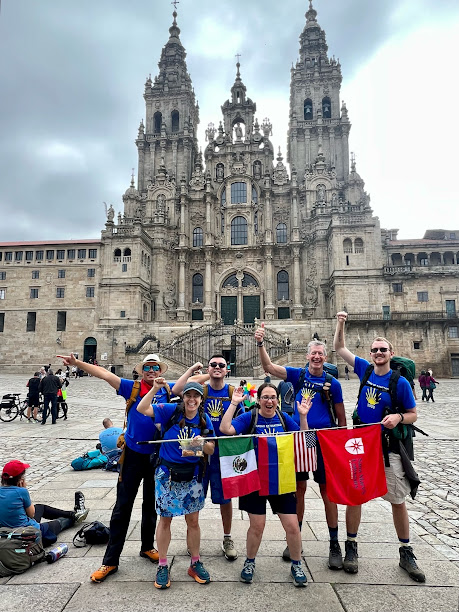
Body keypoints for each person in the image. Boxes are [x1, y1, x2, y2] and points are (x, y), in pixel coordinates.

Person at [57, 351, 204, 583]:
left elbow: (191, 383)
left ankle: (147, 546)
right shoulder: (131, 387)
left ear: (161, 371)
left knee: (151, 504)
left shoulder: (167, 388)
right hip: (133, 455)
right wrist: (77, 363)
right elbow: (105, 374)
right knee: (122, 507)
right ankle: (110, 561)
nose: (152, 371)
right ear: (141, 370)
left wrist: (212, 373)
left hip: (156, 458)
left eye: (156, 367)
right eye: (148, 367)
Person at [333, 311, 425, 582]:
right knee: (355, 496)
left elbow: (413, 413)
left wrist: (398, 417)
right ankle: (351, 546)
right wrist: (340, 324)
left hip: (389, 447)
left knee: (397, 499)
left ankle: (406, 551)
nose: (378, 353)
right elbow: (339, 348)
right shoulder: (364, 368)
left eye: (382, 349)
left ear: (390, 352)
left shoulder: (401, 382)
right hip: (361, 444)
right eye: (375, 349)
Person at [255, 323, 347, 570]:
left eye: (320, 354)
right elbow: (269, 367)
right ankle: (295, 539)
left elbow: (341, 417)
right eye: (313, 354)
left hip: (325, 439)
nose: (316, 357)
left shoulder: (333, 384)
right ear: (307, 356)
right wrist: (261, 344)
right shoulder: (298, 375)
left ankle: (334, 543)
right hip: (301, 438)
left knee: (328, 491)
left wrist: (340, 443)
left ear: (325, 358)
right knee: (299, 488)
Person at [220, 384, 310, 587]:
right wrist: (234, 403)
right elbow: (225, 429)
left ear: (277, 400)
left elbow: (302, 439)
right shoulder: (250, 417)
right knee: (257, 526)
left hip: (281, 479)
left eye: (273, 397)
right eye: (265, 397)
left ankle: (296, 564)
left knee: (292, 526)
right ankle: (250, 562)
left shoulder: (283, 418)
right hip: (254, 480)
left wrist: (303, 416)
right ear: (258, 399)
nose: (269, 401)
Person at [137, 381, 215, 589]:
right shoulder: (171, 411)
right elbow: (142, 408)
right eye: (188, 395)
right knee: (165, 520)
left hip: (193, 475)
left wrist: (202, 443)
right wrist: (154, 389)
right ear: (183, 398)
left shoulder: (203, 418)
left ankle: (195, 562)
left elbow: (211, 450)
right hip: (167, 475)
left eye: (195, 396)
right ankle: (163, 564)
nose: (191, 399)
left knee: (193, 521)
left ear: (200, 400)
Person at [201, 355, 243, 561]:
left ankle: (227, 538)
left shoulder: (233, 394)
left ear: (227, 369)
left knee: (225, 500)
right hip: (200, 455)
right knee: (194, 498)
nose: (217, 368)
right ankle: (194, 538)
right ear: (208, 369)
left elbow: (242, 422)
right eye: (213, 365)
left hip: (224, 455)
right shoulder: (200, 391)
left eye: (221, 365)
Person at [0, 460, 89, 546]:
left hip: (6, 533)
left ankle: (73, 514)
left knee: (39, 507)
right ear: (20, 479)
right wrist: (23, 489)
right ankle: (75, 516)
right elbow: (31, 514)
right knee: (59, 523)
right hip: (28, 533)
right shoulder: (21, 492)